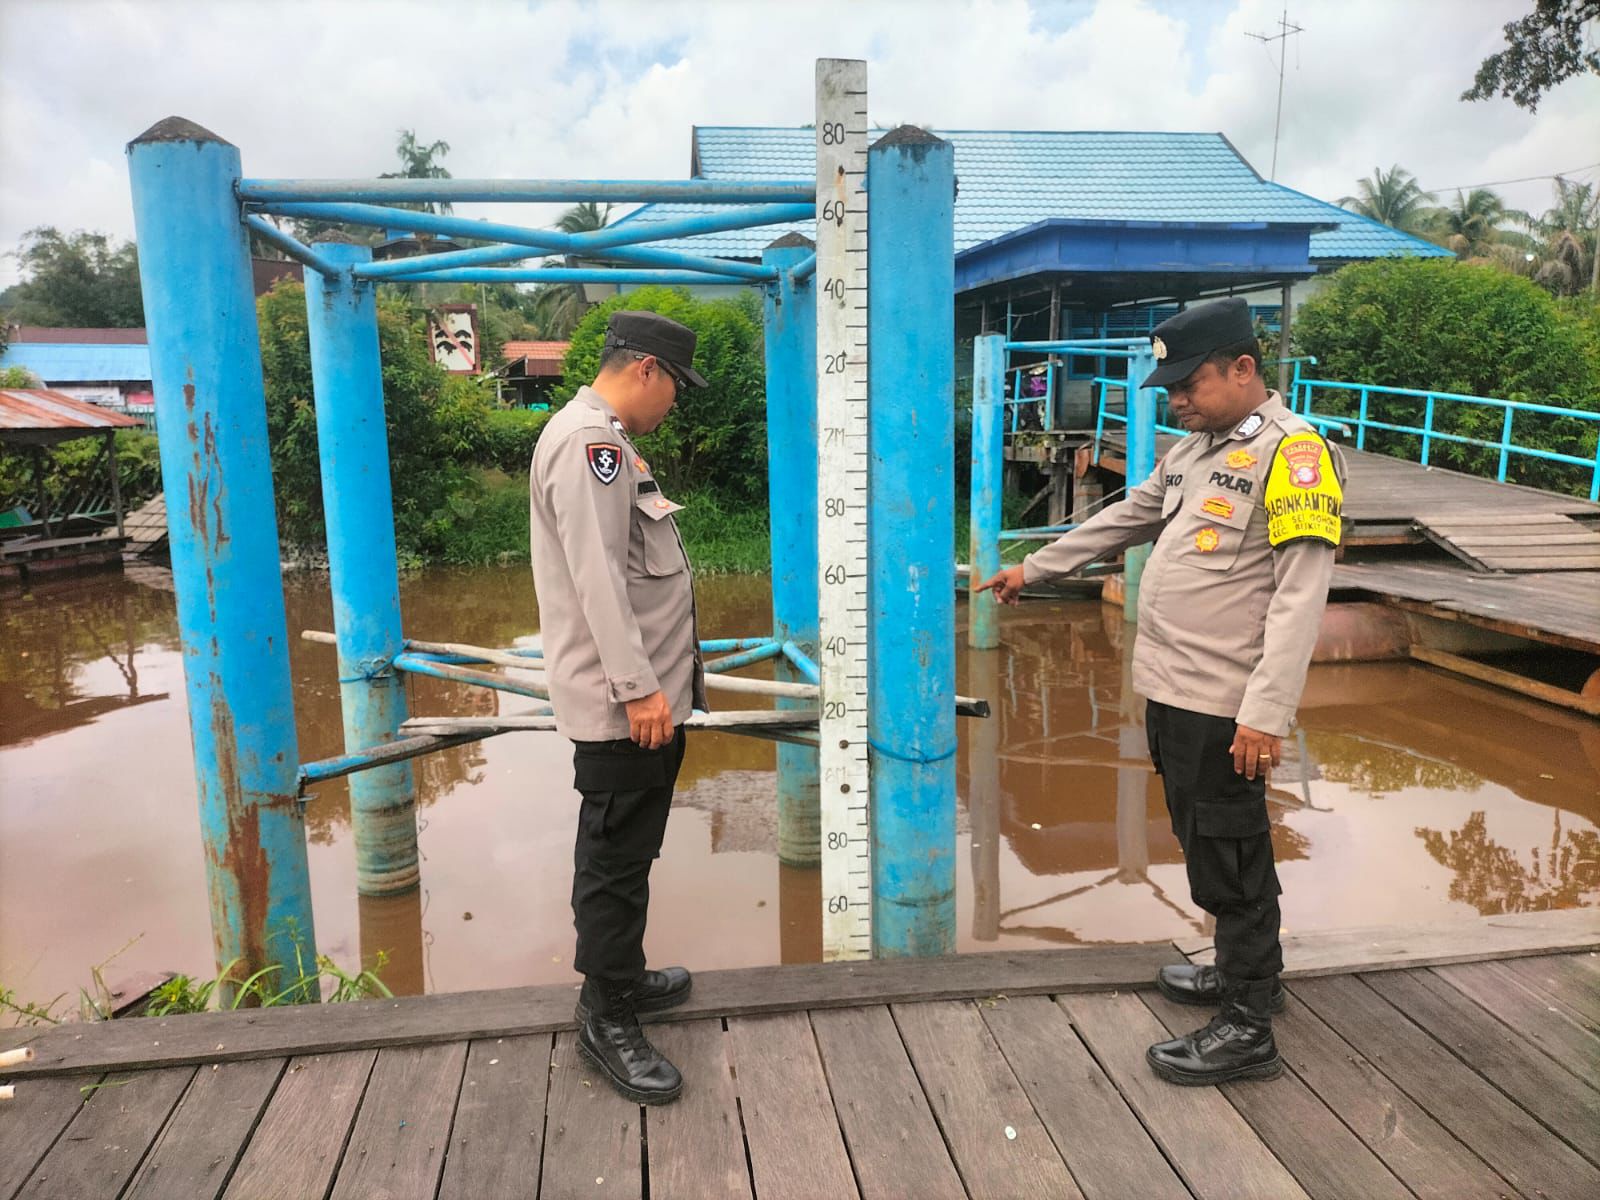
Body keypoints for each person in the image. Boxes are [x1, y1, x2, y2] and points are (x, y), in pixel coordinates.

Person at [977, 297, 1345, 1086]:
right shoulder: (1192, 452)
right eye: (1169, 387)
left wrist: (1266, 714)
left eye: (1189, 382)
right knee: (1204, 839)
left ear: (1244, 368)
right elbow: (1122, 519)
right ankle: (1243, 971)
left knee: (1232, 852)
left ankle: (1248, 1026)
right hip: (1174, 691)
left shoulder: (1295, 455)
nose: (1175, 399)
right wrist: (1033, 568)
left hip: (1228, 705)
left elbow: (1299, 595)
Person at [529, 310, 710, 1105]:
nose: (673, 402)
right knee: (612, 862)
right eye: (675, 386)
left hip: (645, 703)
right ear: (646, 370)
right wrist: (639, 688)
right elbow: (598, 576)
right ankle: (606, 1019)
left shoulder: (601, 438)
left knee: (629, 853)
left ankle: (623, 979)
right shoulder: (589, 444)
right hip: (623, 707)